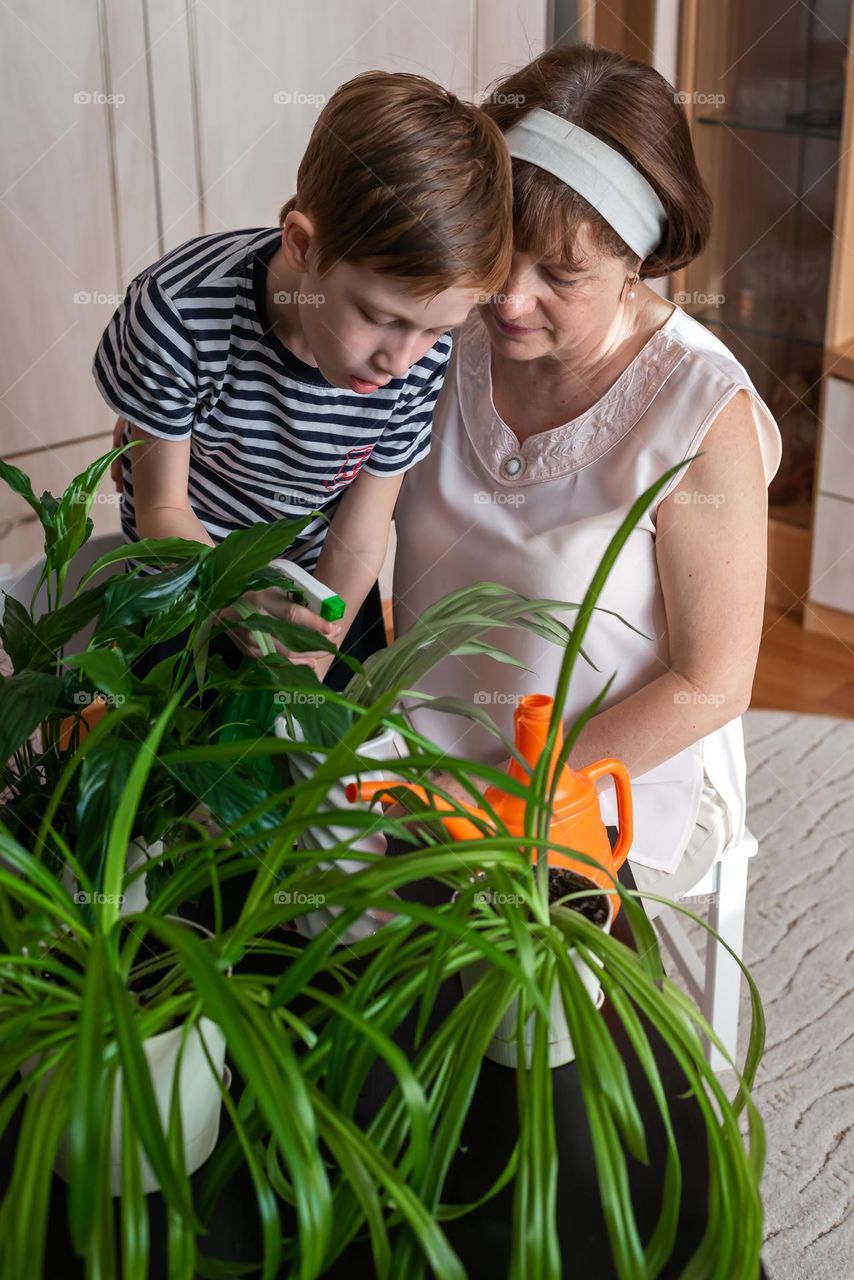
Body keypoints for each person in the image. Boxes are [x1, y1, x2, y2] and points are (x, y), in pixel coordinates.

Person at [392, 44, 783, 911]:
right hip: (412, 758)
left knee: (508, 1014)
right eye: (502, 255)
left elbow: (712, 682)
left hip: (596, 783)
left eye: (561, 275)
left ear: (638, 264)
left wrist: (521, 801)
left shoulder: (699, 411)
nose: (510, 300)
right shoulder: (450, 326)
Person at [96, 71, 511, 691]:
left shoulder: (421, 353)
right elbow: (160, 508)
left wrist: (320, 642)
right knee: (176, 766)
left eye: (434, 331)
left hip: (324, 579)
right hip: (186, 572)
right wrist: (233, 600)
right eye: (378, 317)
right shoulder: (178, 313)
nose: (401, 361)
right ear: (301, 246)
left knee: (337, 765)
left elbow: (363, 528)